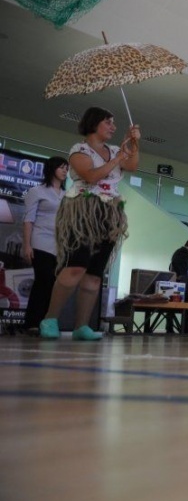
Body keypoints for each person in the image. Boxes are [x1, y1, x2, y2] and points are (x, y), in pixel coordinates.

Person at [40, 107, 140, 341]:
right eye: (108, 122)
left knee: (95, 273)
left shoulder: (115, 149)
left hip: (109, 212)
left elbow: (133, 165)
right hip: (82, 211)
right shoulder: (80, 150)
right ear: (94, 124)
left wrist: (134, 144)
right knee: (75, 266)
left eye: (114, 123)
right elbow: (91, 176)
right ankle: (50, 318)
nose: (113, 127)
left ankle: (81, 326)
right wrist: (117, 158)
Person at [21, 156, 68, 336]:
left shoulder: (66, 194)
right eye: (61, 167)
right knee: (43, 280)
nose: (65, 171)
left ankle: (46, 323)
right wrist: (27, 245)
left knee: (54, 284)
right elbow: (28, 219)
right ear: (51, 169)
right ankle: (32, 322)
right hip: (40, 241)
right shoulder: (37, 191)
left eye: (67, 168)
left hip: (60, 245)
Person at [166, 238, 188, 333]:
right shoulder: (185, 253)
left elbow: (173, 264)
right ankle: (187, 329)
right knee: (187, 304)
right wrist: (183, 277)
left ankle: (170, 328)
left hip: (174, 281)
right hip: (179, 282)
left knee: (171, 306)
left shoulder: (178, 252)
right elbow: (181, 267)